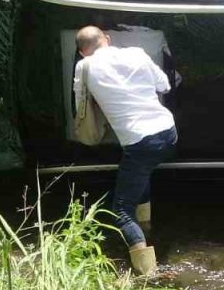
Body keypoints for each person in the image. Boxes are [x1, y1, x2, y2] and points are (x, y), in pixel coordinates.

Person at [74, 25, 177, 275]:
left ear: (81, 52)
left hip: (140, 142)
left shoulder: (84, 66)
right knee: (140, 175)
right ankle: (147, 226)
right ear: (107, 40)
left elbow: (81, 106)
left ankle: (147, 273)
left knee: (120, 210)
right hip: (168, 132)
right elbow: (165, 86)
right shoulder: (138, 54)